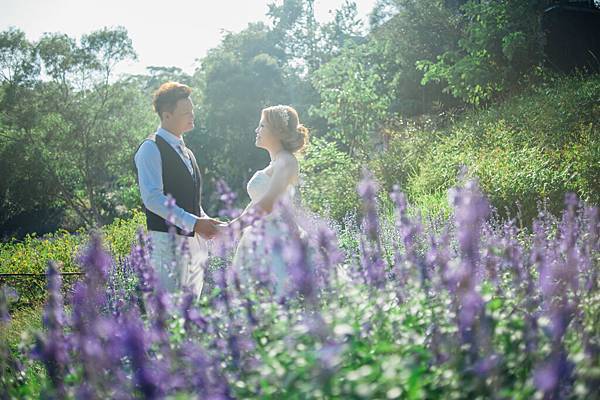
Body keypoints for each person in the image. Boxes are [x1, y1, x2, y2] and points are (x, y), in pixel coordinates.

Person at [134, 81, 223, 297]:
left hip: (195, 245)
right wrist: (194, 223)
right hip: (167, 246)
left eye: (192, 111)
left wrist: (208, 222)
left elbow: (190, 199)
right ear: (167, 115)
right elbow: (153, 199)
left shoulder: (188, 152)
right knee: (170, 316)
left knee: (190, 317)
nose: (192, 116)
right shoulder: (150, 149)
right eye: (185, 112)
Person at [227, 105, 309, 295]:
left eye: (262, 126)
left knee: (277, 296)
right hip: (258, 238)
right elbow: (257, 201)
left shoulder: (286, 161)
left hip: (278, 240)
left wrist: (235, 227)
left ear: (277, 131)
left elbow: (269, 203)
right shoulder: (274, 163)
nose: (257, 130)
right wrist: (232, 224)